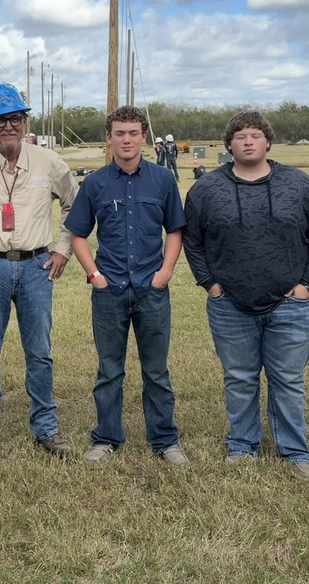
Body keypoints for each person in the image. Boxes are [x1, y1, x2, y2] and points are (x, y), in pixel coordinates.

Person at [183, 111, 309, 479]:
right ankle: (242, 445)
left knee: (288, 380)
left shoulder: (300, 185)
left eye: (255, 135)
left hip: (290, 305)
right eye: (240, 136)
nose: (248, 141)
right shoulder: (206, 190)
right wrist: (211, 285)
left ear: (267, 142)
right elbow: (193, 242)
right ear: (229, 144)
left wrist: (306, 286)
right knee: (239, 378)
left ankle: (294, 451)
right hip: (229, 305)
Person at [0, 84, 79, 464]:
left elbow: (75, 206)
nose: (8, 126)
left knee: (39, 351)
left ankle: (45, 426)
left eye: (14, 118)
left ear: (24, 121)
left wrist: (63, 249)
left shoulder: (48, 162)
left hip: (37, 267)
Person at [65, 106, 189, 465]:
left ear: (144, 136)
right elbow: (78, 234)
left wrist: (166, 272)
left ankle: (165, 439)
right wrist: (95, 275)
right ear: (109, 138)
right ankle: (106, 437)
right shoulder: (95, 183)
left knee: (156, 370)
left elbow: (175, 229)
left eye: (133, 133)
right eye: (119, 133)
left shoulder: (162, 180)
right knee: (109, 370)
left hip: (152, 289)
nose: (127, 139)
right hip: (110, 290)